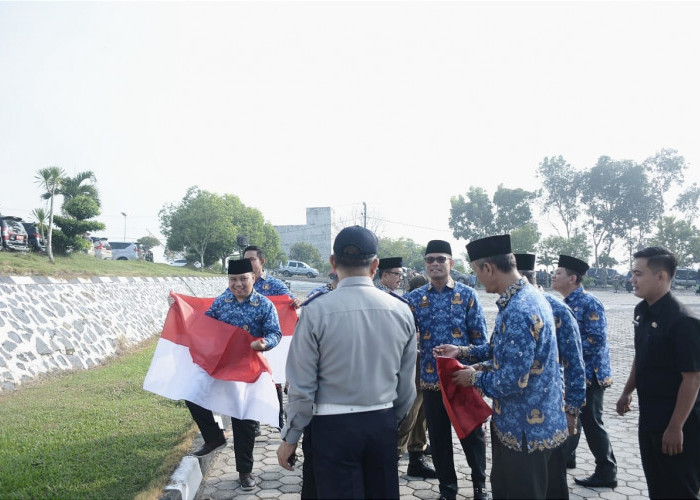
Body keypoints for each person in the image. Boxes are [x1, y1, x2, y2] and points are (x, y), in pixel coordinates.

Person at [277, 225, 417, 499]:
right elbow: (407, 385)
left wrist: (291, 437)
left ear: (332, 263)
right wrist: (390, 420)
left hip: (331, 426)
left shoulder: (316, 310)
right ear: (375, 265)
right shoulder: (401, 310)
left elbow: (301, 387)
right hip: (382, 420)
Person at [442, 235, 568, 499]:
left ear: (488, 268)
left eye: (476, 271)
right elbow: (500, 351)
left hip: (523, 430)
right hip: (543, 423)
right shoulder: (528, 297)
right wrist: (463, 353)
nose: (477, 278)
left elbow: (511, 381)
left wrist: (472, 379)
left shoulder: (518, 310)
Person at [183, 258, 282, 491]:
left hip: (249, 368)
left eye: (243, 279)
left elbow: (275, 333)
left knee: (243, 420)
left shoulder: (264, 305)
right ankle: (214, 436)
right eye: (233, 279)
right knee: (192, 393)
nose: (238, 284)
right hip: (223, 365)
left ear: (253, 279)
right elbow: (204, 325)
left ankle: (245, 472)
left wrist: (264, 343)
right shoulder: (222, 302)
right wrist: (179, 308)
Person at [403, 240, 489, 500]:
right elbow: (403, 336)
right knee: (439, 441)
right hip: (430, 382)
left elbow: (481, 341)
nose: (435, 264)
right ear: (425, 265)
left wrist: (476, 371)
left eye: (441, 259)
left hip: (462, 379)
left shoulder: (467, 295)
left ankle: (479, 487)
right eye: (430, 260)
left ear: (451, 263)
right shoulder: (415, 299)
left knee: (472, 437)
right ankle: (447, 490)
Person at [616, 246, 700, 499]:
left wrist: (676, 427)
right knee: (657, 484)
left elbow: (693, 379)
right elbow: (642, 356)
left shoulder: (683, 320)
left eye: (638, 274)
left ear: (661, 276)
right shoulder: (642, 311)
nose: (633, 280)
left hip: (679, 421)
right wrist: (627, 391)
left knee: (679, 488)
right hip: (650, 417)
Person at [516, 253, 586, 488]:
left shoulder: (558, 310)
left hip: (550, 410)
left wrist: (572, 411)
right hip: (518, 415)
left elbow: (576, 365)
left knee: (551, 479)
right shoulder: (515, 306)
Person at [551, 254, 617, 487]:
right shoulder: (564, 303)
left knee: (591, 423)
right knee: (573, 419)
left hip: (590, 375)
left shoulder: (590, 303)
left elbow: (596, 339)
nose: (553, 276)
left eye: (558, 273)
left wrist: (566, 350)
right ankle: (568, 458)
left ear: (573, 278)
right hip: (571, 376)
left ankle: (607, 472)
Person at [378, 259, 437, 479]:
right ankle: (393, 458)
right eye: (396, 274)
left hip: (420, 362)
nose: (400, 277)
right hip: (402, 363)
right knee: (408, 412)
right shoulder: (386, 299)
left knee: (420, 412)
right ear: (383, 275)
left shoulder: (398, 298)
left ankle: (416, 457)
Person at [243, 244, 300, 431]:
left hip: (269, 340)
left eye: (251, 259)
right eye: (245, 260)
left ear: (262, 261)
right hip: (247, 341)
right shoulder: (240, 284)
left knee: (273, 380)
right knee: (250, 381)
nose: (248, 263)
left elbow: (290, 302)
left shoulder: (273, 285)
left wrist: (294, 302)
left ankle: (279, 419)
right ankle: (254, 421)